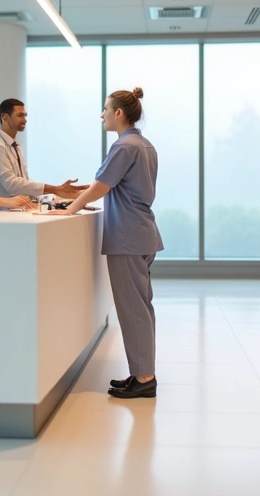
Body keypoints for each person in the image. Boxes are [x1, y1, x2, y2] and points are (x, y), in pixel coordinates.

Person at [46, 87, 163, 399]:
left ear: (119, 114)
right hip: (142, 233)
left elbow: (101, 185)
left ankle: (145, 377)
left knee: (133, 308)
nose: (102, 115)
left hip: (127, 236)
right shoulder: (145, 144)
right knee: (141, 306)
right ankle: (142, 372)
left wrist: (69, 208)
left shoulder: (125, 146)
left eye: (105, 109)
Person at [0, 98, 88, 202]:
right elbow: (12, 184)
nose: (24, 120)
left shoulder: (15, 146)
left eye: (25, 115)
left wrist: (52, 197)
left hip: (16, 211)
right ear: (4, 117)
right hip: (0, 214)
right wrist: (54, 189)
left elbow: (24, 182)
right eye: (19, 115)